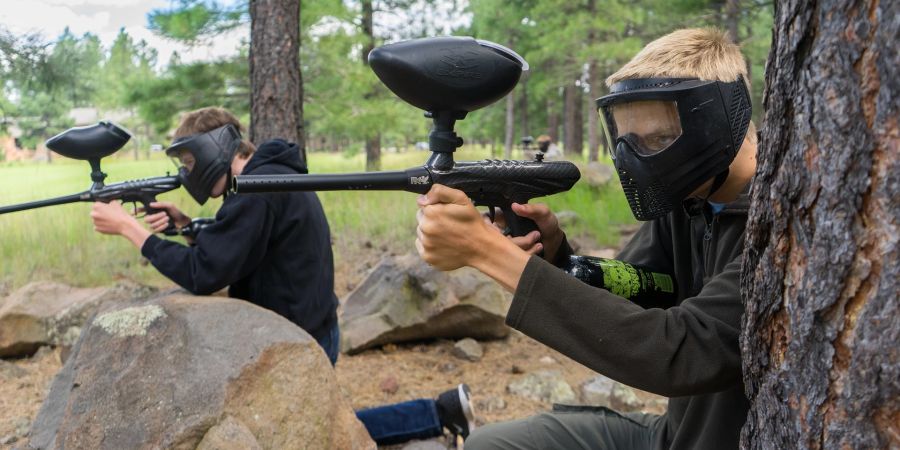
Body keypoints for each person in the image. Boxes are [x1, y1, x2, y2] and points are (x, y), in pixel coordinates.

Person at [414, 28, 756, 449]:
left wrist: (490, 255)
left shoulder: (775, 227)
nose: (640, 160)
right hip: (674, 435)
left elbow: (681, 351)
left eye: (661, 139)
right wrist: (557, 254)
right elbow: (646, 287)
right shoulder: (691, 196)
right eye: (629, 141)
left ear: (720, 121)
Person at [90, 107, 475, 445]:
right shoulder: (268, 177)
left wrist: (130, 229)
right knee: (310, 427)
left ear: (216, 148)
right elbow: (243, 243)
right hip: (312, 325)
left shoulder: (257, 191)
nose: (188, 173)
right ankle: (441, 412)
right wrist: (190, 227)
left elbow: (203, 272)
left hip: (298, 339)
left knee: (308, 436)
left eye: (190, 161)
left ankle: (439, 413)